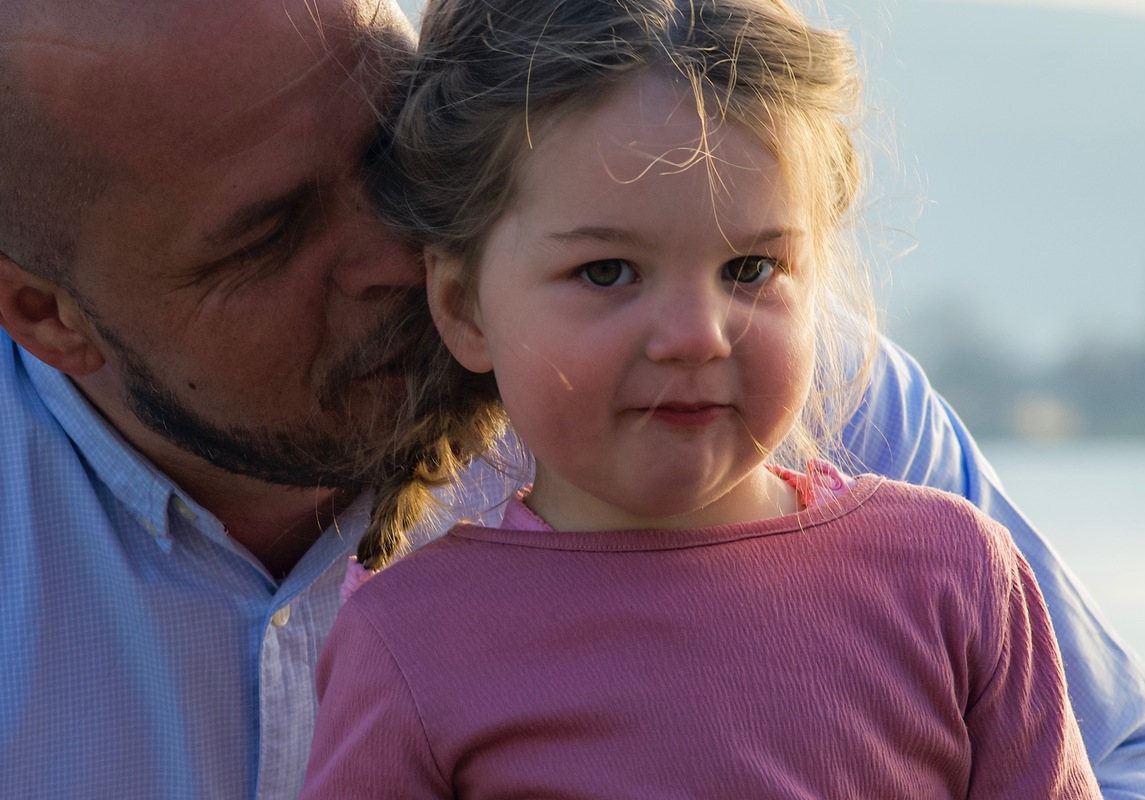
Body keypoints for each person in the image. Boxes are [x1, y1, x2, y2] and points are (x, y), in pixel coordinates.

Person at [0, 0, 1145, 799]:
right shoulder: (416, 633)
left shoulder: (784, 394)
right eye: (267, 234)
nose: (391, 251)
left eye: (389, 162)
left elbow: (1124, 753)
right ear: (44, 313)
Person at [297, 0, 1097, 795]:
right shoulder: (413, 642)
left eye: (749, 269)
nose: (695, 335)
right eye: (607, 272)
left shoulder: (954, 580)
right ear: (464, 307)